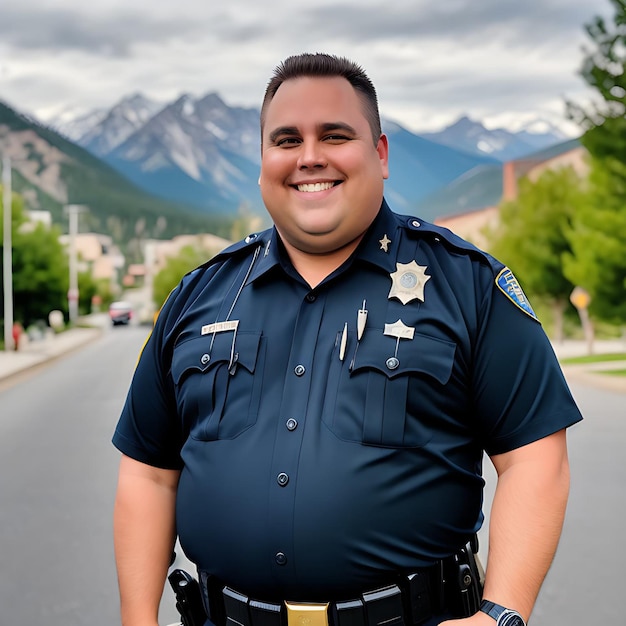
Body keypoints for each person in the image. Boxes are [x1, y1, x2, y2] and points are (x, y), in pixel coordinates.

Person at [112, 53, 583, 626]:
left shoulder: (467, 284)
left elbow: (534, 457)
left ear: (380, 154)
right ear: (262, 161)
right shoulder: (199, 296)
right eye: (286, 140)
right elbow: (149, 473)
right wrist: (138, 617)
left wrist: (500, 614)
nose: (310, 157)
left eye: (334, 135)